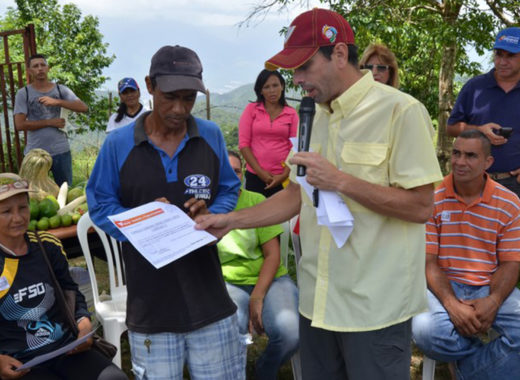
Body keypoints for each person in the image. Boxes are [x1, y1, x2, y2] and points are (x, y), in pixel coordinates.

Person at [196, 8, 443, 380]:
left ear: (340, 54)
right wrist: (230, 221)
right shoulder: (315, 115)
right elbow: (297, 196)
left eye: (305, 67)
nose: (296, 81)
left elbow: (422, 206)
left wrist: (341, 181)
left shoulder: (401, 111)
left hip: (373, 309)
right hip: (317, 303)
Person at [86, 45, 244, 380]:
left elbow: (230, 189)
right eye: (170, 96)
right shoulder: (119, 144)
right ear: (149, 86)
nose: (179, 108)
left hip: (210, 300)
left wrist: (212, 211)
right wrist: (143, 223)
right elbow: (100, 204)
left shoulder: (210, 136)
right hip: (151, 306)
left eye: (189, 99)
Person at [412, 130, 520, 379]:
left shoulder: (509, 203)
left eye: (471, 155)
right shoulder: (433, 198)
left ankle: (464, 368)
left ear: (488, 163)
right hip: (441, 288)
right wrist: (451, 304)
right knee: (427, 333)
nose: (460, 162)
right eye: (456, 153)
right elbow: (428, 262)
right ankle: (485, 364)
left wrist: (493, 301)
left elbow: (511, 262)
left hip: (488, 285)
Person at [0, 173, 127, 380]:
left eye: (23, 207)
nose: (18, 217)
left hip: (66, 349)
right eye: (6, 211)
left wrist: (83, 321)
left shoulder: (46, 246)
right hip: (22, 363)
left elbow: (70, 289)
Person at [218, 150, 299, 380]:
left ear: (243, 172)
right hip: (228, 281)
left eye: (236, 170)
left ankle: (264, 370)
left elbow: (272, 255)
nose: (232, 176)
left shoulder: (255, 201)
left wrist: (258, 296)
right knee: (233, 329)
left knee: (291, 331)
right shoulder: (206, 206)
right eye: (226, 170)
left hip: (271, 278)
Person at [447, 27, 520, 196]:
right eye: (498, 54)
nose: (502, 61)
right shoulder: (474, 87)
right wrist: (479, 130)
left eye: (510, 56)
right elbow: (451, 128)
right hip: (474, 182)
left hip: (515, 184)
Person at [14, 54, 88, 186]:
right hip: (34, 154)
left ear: (48, 68)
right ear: (29, 71)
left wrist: (57, 101)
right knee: (32, 195)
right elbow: (19, 124)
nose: (40, 69)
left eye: (43, 65)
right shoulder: (23, 93)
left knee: (65, 193)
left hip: (61, 151)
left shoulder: (61, 90)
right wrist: (49, 122)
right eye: (35, 66)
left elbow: (83, 107)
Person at [239, 69, 298, 197]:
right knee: (255, 215)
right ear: (260, 90)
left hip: (283, 178)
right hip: (255, 176)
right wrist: (261, 173)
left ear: (282, 86)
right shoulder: (252, 110)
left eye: (275, 85)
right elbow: (244, 144)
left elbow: (294, 147)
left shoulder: (291, 113)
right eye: (266, 87)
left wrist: (284, 175)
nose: (272, 90)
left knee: (282, 215)